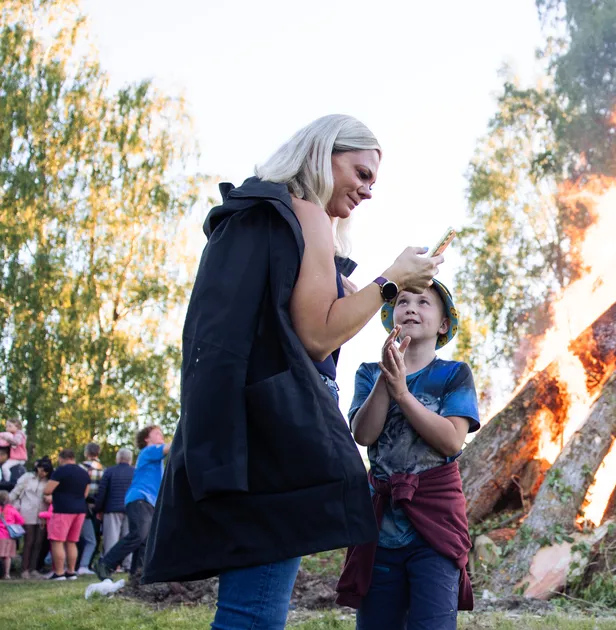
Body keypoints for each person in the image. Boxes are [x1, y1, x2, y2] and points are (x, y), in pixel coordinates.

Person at [144, 115, 443, 630]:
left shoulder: (264, 214)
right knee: (255, 613)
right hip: (278, 438)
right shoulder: (307, 213)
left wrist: (365, 294)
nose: (369, 190)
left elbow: (312, 323)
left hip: (245, 428)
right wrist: (393, 279)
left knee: (246, 606)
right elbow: (318, 335)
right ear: (324, 154)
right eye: (362, 173)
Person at [336, 281, 480, 628]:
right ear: (392, 318)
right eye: (402, 301)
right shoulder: (369, 373)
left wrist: (403, 393)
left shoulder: (454, 374)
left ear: (443, 324)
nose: (411, 307)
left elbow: (451, 441)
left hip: (435, 527)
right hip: (381, 530)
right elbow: (364, 434)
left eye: (423, 302)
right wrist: (387, 380)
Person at [95, 427, 168, 580]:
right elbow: (171, 448)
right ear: (147, 439)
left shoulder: (156, 458)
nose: (161, 435)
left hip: (149, 502)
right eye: (157, 433)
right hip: (140, 498)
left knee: (146, 541)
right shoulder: (149, 450)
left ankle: (138, 576)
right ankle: (106, 563)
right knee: (139, 534)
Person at [42, 448, 89, 580]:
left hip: (63, 509)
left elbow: (47, 490)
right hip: (80, 510)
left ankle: (59, 572)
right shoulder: (84, 472)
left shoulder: (60, 471)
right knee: (72, 541)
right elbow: (85, 494)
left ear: (61, 458)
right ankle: (71, 571)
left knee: (57, 541)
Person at [94, 448, 135, 572]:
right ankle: (128, 565)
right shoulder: (135, 472)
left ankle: (110, 564)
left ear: (118, 458)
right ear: (130, 459)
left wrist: (98, 509)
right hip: (131, 508)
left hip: (112, 509)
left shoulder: (109, 471)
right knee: (129, 537)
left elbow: (102, 492)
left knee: (111, 538)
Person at [10, 457, 51, 578]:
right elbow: (15, 492)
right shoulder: (27, 477)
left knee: (38, 543)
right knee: (29, 541)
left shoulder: (49, 481)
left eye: (46, 471)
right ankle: (25, 569)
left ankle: (34, 568)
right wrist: (6, 504)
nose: (43, 473)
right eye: (41, 470)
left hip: (42, 515)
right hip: (27, 513)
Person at [77, 442, 104, 575]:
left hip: (81, 503)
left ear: (86, 453)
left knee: (80, 536)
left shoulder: (80, 468)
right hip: (96, 505)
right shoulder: (102, 469)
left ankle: (78, 563)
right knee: (94, 536)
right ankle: (87, 563)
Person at [0, 490, 24, 579]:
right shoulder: (12, 510)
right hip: (9, 536)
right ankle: (7, 574)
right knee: (7, 556)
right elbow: (21, 521)